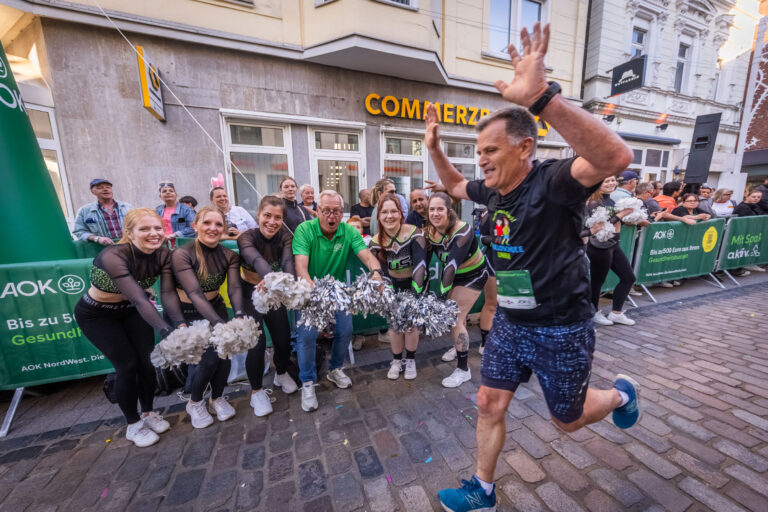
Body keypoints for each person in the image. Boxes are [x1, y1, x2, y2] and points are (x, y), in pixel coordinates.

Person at [426, 23, 641, 512]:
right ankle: (482, 491)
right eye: (479, 153)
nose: (482, 161)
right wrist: (436, 149)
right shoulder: (493, 191)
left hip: (561, 326)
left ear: (524, 147)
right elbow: (455, 186)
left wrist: (543, 98)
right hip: (511, 321)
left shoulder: (554, 181)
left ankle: (620, 395)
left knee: (567, 420)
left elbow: (615, 155)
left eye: (491, 151)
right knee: (488, 401)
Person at [73, 208, 183, 447]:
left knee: (147, 362)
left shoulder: (163, 254)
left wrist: (177, 325)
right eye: (144, 229)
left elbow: (166, 293)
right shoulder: (113, 255)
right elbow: (139, 298)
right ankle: (133, 424)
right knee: (127, 365)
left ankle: (148, 413)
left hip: (132, 312)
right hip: (97, 315)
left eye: (157, 228)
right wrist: (166, 331)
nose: (153, 233)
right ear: (129, 233)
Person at [292, 190, 384, 411]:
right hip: (310, 291)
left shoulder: (348, 231)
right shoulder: (305, 229)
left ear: (342, 213)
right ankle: (307, 382)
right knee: (307, 336)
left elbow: (367, 255)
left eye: (336, 211)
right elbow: (301, 268)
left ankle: (335, 369)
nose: (331, 216)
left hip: (337, 290)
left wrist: (376, 272)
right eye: (326, 211)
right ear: (318, 211)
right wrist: (314, 293)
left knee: (345, 330)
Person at [171, 206, 244, 428]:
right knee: (209, 358)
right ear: (195, 226)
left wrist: (238, 314)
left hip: (215, 306)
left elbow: (234, 288)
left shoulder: (230, 255)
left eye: (218, 224)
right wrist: (219, 324)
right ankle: (194, 402)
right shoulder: (182, 254)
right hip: (188, 311)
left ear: (224, 228)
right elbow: (194, 293)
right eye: (207, 223)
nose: (213, 228)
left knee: (224, 354)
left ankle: (217, 398)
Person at [238, 196, 298, 417]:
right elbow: (256, 260)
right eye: (267, 216)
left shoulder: (285, 237)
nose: (272, 222)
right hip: (249, 292)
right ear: (258, 215)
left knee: (283, 338)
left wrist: (285, 283)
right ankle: (256, 392)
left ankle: (281, 373)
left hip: (274, 290)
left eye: (277, 218)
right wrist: (271, 277)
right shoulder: (246, 237)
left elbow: (288, 262)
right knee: (257, 343)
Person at [426, 192, 490, 388]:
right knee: (456, 320)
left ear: (449, 210)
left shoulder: (462, 229)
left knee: (454, 317)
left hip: (473, 275)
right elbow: (425, 262)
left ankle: (463, 370)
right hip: (453, 275)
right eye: (431, 209)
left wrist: (442, 299)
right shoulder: (430, 231)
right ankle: (459, 345)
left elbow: (451, 265)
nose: (435, 213)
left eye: (440, 209)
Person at [369, 193, 428, 380]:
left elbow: (420, 266)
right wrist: (388, 292)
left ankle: (410, 359)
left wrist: (414, 295)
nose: (389, 216)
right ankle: (396, 360)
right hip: (394, 285)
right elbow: (380, 271)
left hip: (415, 282)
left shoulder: (415, 233)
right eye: (384, 212)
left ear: (401, 213)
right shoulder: (375, 241)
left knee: (410, 324)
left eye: (394, 211)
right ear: (378, 216)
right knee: (394, 325)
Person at [585, 177, 638, 327]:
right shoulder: (595, 202)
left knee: (629, 277)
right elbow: (599, 226)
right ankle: (593, 313)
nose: (611, 183)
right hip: (599, 246)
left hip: (613, 244)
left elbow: (616, 222)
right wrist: (621, 215)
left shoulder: (611, 200)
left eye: (612, 180)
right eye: (606, 181)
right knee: (597, 282)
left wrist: (630, 216)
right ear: (597, 184)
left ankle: (616, 313)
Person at [73, 178, 133, 245]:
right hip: (102, 248)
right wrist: (97, 238)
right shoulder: (85, 211)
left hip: (128, 245)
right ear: (93, 192)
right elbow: (79, 231)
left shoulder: (127, 207)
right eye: (100, 188)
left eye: (108, 187)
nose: (105, 189)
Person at [155, 181, 196, 246]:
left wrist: (172, 235)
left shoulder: (186, 210)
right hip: (162, 245)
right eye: (164, 191)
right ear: (160, 196)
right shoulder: (157, 210)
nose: (168, 192)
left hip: (181, 245)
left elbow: (193, 228)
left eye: (171, 191)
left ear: (176, 195)